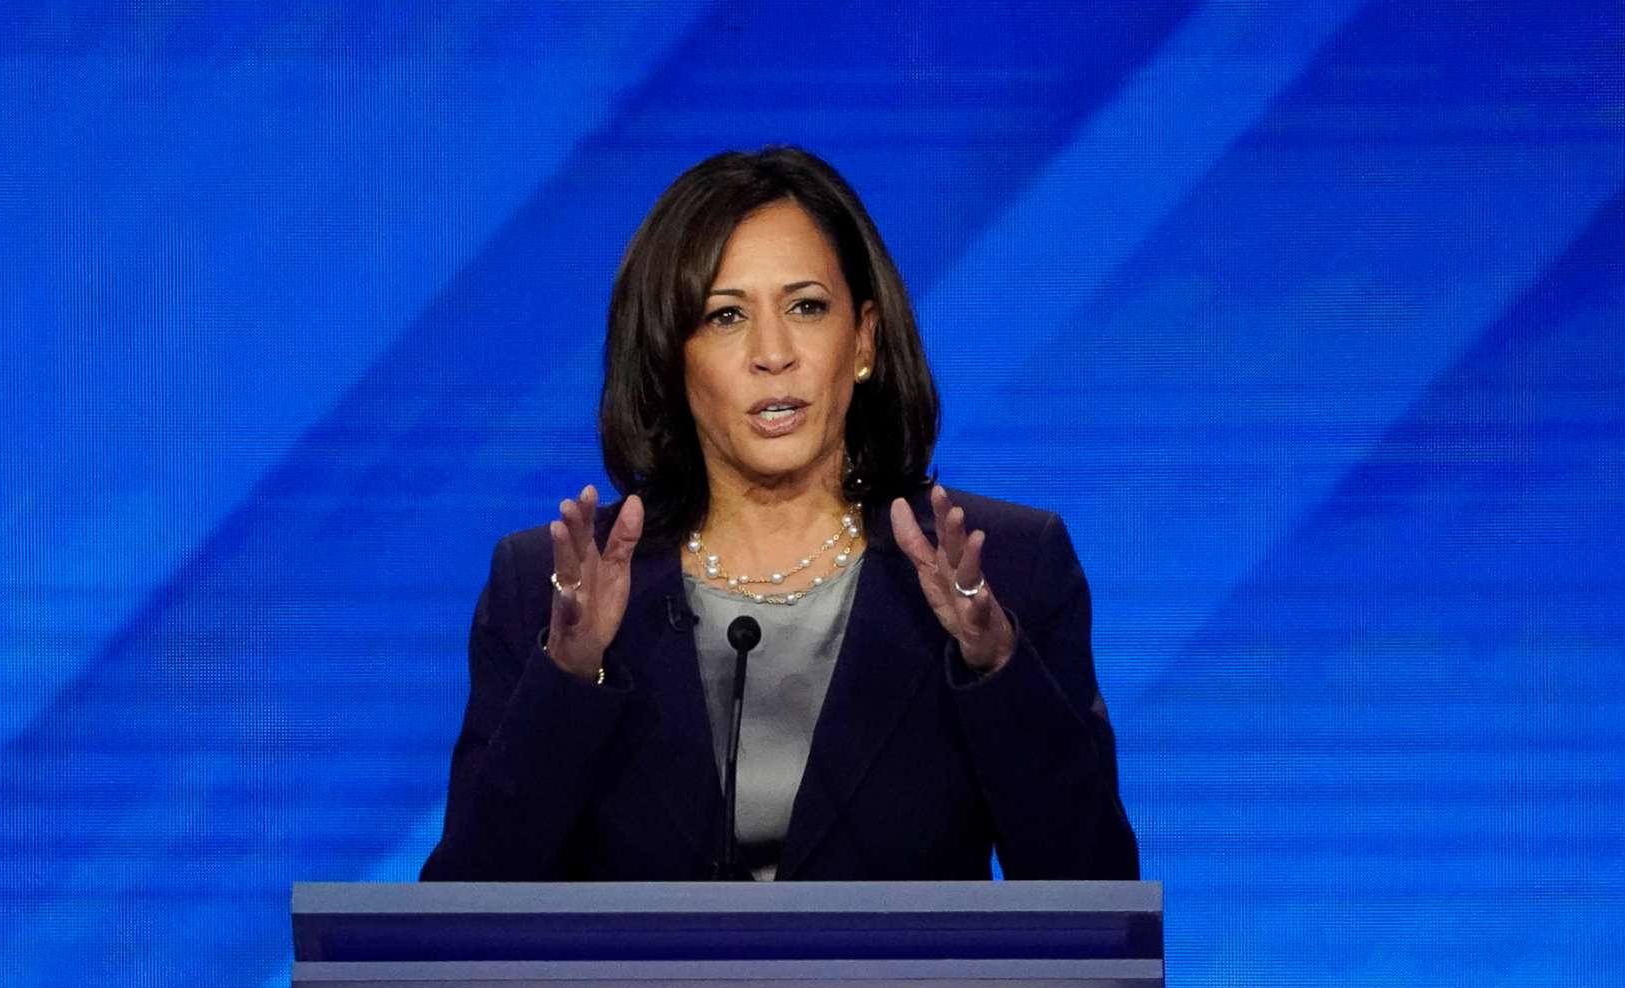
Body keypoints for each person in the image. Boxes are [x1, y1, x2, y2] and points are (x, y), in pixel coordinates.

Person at [422, 145, 1137, 882]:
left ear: (862, 341)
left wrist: (997, 666)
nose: (773, 352)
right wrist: (568, 679)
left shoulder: (1005, 569)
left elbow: (1097, 900)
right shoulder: (548, 586)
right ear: (671, 358)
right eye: (725, 316)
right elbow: (459, 923)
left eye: (806, 307)